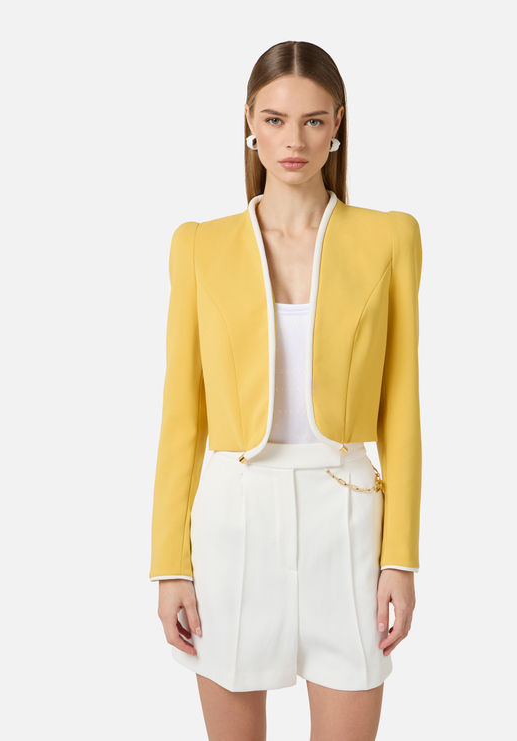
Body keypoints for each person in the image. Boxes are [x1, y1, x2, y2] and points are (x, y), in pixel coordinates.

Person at [150, 40, 422, 741]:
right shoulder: (199, 246)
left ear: (337, 124)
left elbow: (402, 409)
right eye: (274, 120)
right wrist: (170, 563)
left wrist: (400, 557)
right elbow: (182, 417)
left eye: (312, 120)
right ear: (249, 121)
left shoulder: (390, 239)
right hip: (233, 519)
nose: (293, 140)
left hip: (348, 516)